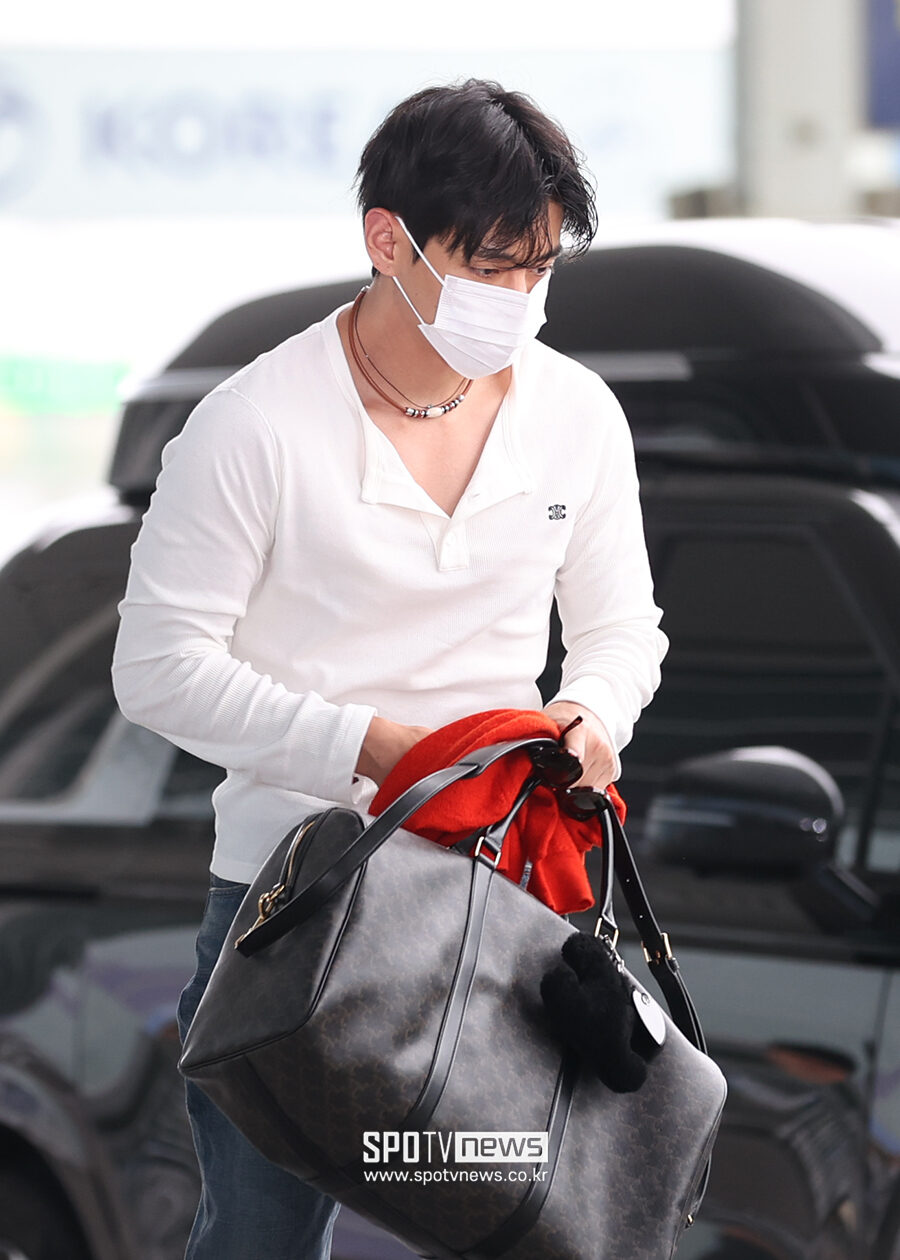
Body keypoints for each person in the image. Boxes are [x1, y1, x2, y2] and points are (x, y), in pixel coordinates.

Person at [111, 78, 667, 1260]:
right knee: (260, 1241)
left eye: (540, 268)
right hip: (291, 907)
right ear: (388, 241)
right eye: (492, 267)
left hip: (502, 901)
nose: (519, 298)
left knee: (523, 1227)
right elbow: (155, 668)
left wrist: (591, 710)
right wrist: (371, 748)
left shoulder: (577, 414)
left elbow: (624, 627)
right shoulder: (253, 426)